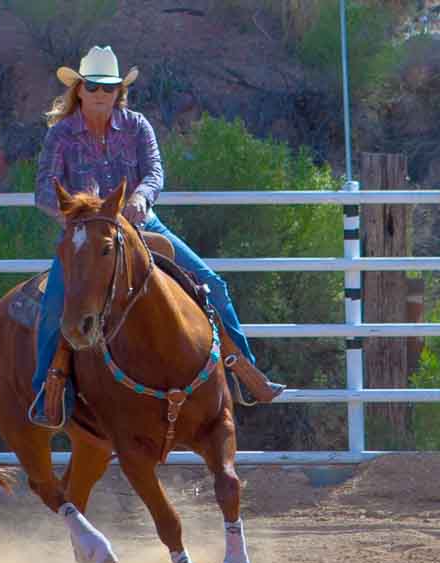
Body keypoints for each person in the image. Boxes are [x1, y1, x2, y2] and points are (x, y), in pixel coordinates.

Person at [30, 45, 285, 427]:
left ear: (119, 91)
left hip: (143, 227)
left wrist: (139, 198)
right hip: (86, 238)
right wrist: (81, 214)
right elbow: (43, 192)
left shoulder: (136, 126)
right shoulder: (61, 135)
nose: (102, 94)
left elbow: (154, 174)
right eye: (94, 87)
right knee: (53, 307)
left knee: (213, 285)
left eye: (109, 87)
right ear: (79, 90)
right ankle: (47, 393)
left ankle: (245, 374)